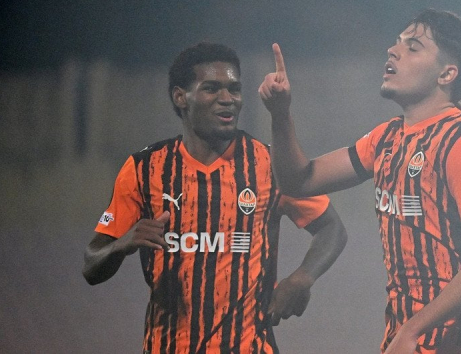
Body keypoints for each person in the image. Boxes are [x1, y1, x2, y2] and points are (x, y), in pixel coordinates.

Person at [258, 9, 461, 354]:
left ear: (447, 74)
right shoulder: (387, 138)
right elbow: (299, 181)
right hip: (409, 340)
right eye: (397, 43)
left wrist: (412, 330)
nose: (393, 51)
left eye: (413, 47)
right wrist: (279, 114)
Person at [82, 42, 347, 353]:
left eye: (234, 89)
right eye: (211, 88)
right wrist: (122, 244)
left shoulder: (268, 165)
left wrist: (302, 278)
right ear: (180, 97)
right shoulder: (145, 168)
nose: (227, 99)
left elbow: (332, 228)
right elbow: (92, 265)